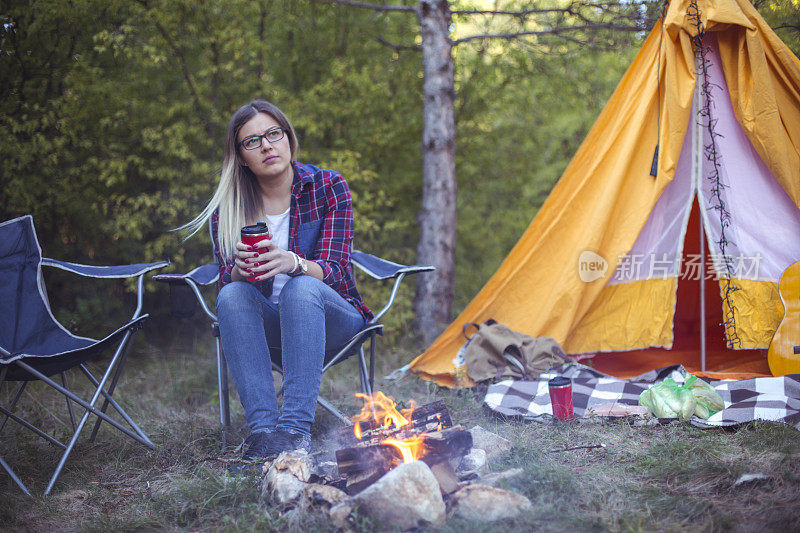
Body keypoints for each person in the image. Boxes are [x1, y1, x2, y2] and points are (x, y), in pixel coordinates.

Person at [182, 100, 372, 467]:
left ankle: (295, 431)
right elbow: (227, 285)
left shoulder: (327, 186)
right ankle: (264, 433)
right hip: (271, 331)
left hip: (334, 323)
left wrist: (295, 262)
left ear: (288, 138)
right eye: (252, 141)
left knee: (300, 289)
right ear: (240, 156)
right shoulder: (229, 208)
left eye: (273, 134)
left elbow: (337, 270)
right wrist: (239, 270)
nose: (267, 146)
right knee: (233, 293)